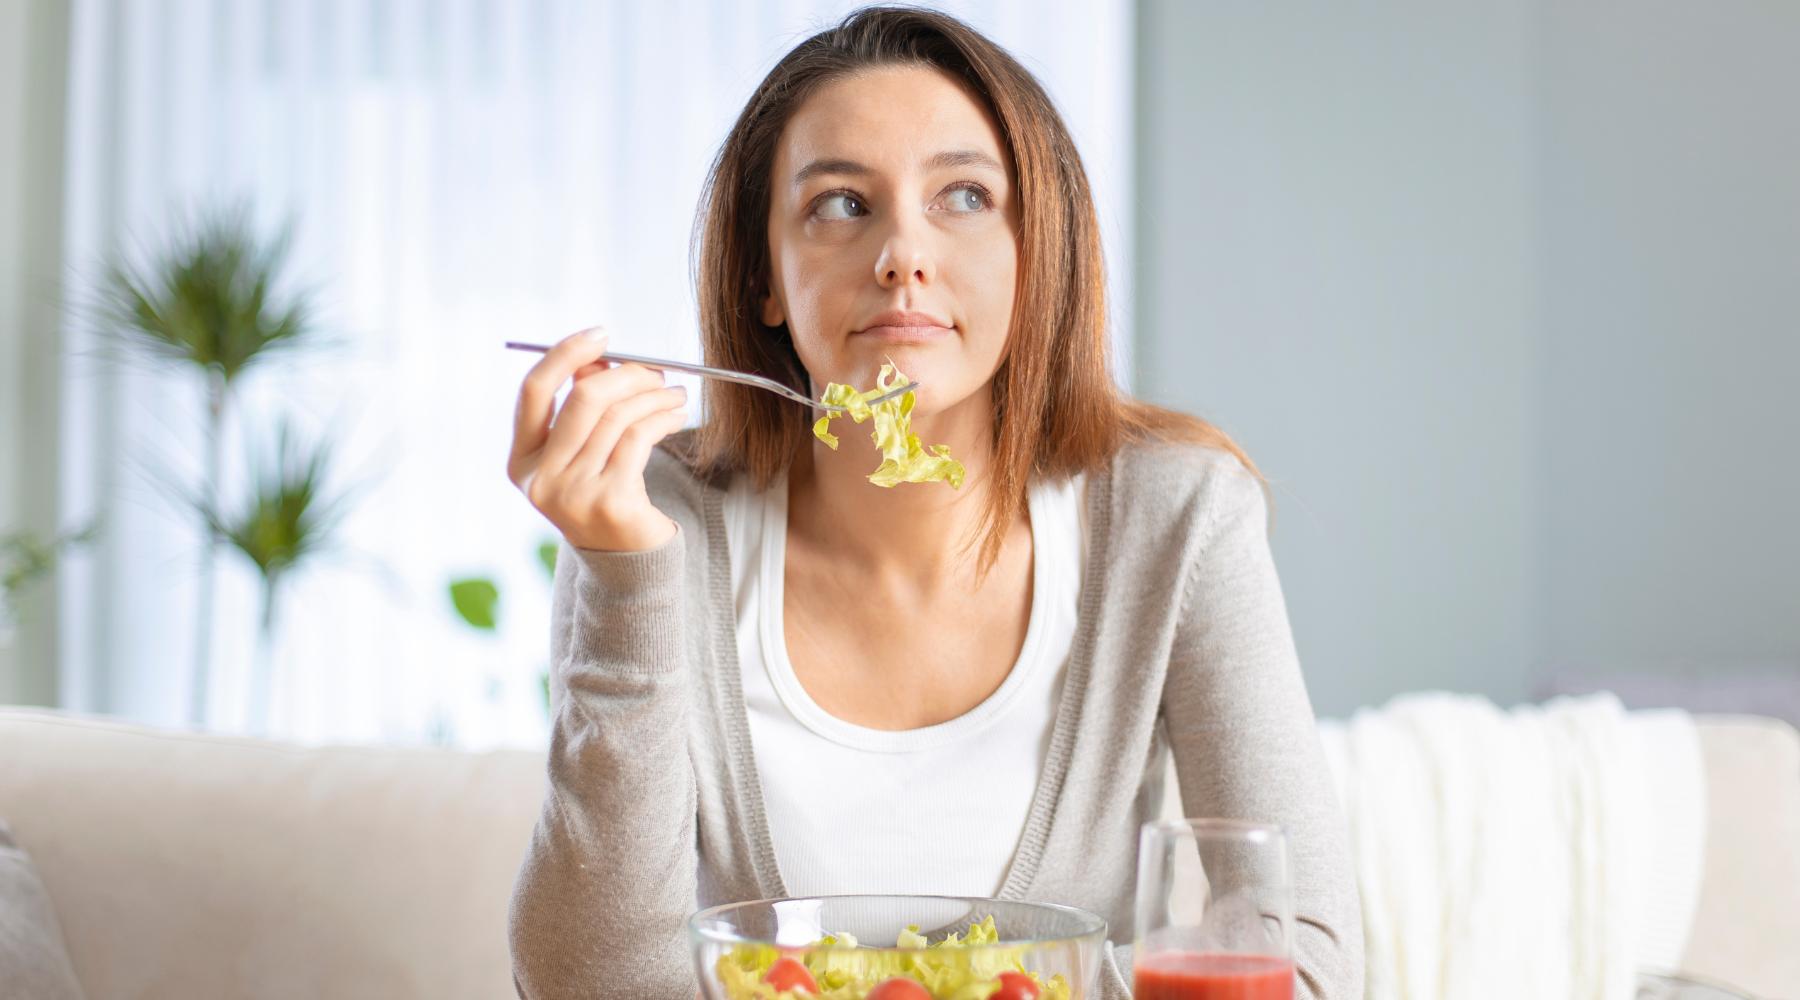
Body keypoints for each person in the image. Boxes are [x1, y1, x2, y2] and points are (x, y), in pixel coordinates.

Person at [503, 7, 1362, 998]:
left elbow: (1307, 961)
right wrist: (624, 579)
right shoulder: (655, 518)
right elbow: (589, 985)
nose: (902, 253)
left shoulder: (1175, 516)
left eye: (962, 195)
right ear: (763, 276)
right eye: (838, 204)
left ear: (1036, 252)